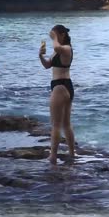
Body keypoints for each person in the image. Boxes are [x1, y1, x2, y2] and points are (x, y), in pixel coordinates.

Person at [39, 25, 76, 164]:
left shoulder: (66, 48)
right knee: (66, 123)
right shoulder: (58, 51)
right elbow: (47, 65)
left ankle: (53, 156)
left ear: (62, 35)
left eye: (55, 35)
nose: (52, 37)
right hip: (62, 85)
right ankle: (72, 153)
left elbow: (56, 47)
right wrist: (40, 55)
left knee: (56, 124)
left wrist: (54, 37)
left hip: (61, 85)